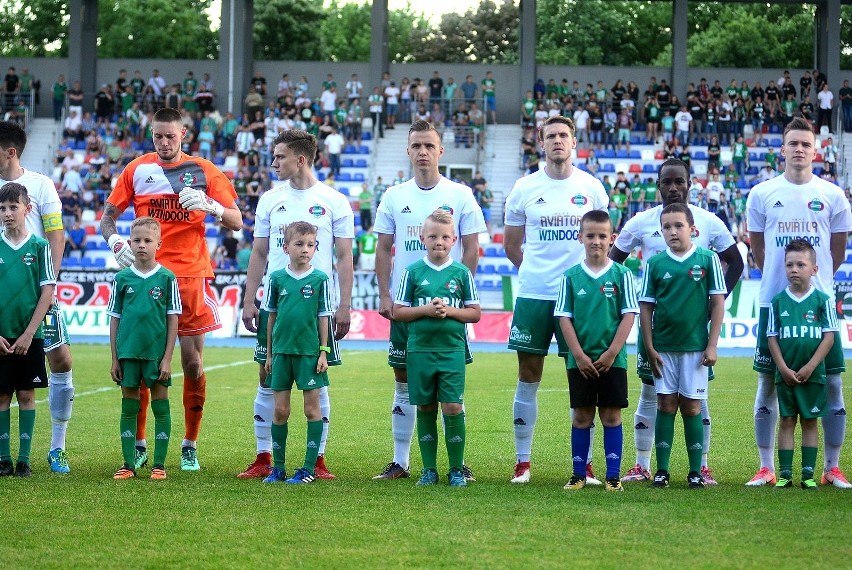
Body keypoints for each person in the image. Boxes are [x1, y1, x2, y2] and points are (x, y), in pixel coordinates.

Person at [100, 107, 242, 472]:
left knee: (192, 362)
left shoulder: (205, 171)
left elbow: (238, 221)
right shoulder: (137, 169)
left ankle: (190, 443)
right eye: (158, 136)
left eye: (171, 136)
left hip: (191, 274)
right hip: (147, 275)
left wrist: (212, 206)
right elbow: (108, 215)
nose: (164, 143)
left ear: (183, 136)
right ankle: (142, 443)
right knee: (143, 362)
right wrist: (116, 242)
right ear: (152, 136)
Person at [610, 158, 742, 485]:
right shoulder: (641, 222)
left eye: (679, 182)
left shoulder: (709, 222)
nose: (673, 188)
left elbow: (735, 263)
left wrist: (713, 304)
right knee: (650, 393)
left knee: (698, 399)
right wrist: (628, 302)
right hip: (655, 331)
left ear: (689, 184)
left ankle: (702, 465)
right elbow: (613, 265)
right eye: (666, 182)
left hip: (694, 331)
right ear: (657, 186)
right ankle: (643, 465)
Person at [373, 120, 485, 481]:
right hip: (408, 311)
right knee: (404, 380)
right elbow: (383, 248)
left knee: (452, 387)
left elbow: (472, 247)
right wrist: (386, 295)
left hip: (450, 313)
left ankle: (457, 463)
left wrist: (456, 288)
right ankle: (401, 462)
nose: (423, 152)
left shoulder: (461, 194)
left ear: (441, 151)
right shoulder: (394, 196)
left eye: (429, 146)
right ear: (408, 151)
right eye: (416, 145)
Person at [240, 129, 353, 480]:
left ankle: (316, 460)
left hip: (315, 309)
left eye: (280, 156)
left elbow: (344, 256)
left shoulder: (334, 201)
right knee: (267, 374)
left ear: (300, 159)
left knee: (317, 380)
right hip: (278, 306)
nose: (274, 162)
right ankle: (264, 457)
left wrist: (344, 305)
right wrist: (249, 300)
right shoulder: (270, 199)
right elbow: (259, 252)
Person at [745, 117, 852, 489]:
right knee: (768, 385)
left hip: (819, 305)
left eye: (806, 144)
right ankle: (766, 466)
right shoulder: (761, 193)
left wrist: (817, 282)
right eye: (793, 143)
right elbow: (757, 248)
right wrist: (777, 275)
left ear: (815, 150)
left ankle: (832, 467)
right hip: (773, 303)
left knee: (833, 385)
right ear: (782, 150)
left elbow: (836, 251)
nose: (800, 149)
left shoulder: (833, 195)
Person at [504, 115, 609, 484]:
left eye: (564, 135)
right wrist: (535, 271)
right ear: (541, 142)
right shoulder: (524, 187)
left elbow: (601, 240)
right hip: (534, 295)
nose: (558, 141)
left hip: (580, 299)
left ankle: (585, 464)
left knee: (581, 379)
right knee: (528, 375)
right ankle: (522, 463)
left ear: (574, 140)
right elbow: (511, 244)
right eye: (551, 136)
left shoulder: (592, 188)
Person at [0, 121, 75, 474]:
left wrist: (50, 283)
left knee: (60, 359)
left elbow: (56, 234)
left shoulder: (42, 185)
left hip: (39, 286)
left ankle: (57, 447)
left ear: (9, 151)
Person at [639, 203, 726, 489]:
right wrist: (649, 348)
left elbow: (717, 304)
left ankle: (694, 471)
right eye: (666, 227)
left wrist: (712, 346)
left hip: (695, 349)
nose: (672, 231)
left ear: (693, 229)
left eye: (678, 225)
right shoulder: (654, 263)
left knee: (691, 407)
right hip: (663, 348)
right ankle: (662, 470)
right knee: (665, 405)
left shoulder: (707, 259)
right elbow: (646, 309)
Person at [393, 210, 481, 486]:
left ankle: (456, 469)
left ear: (454, 239)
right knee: (427, 407)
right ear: (422, 238)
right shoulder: (412, 272)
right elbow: (398, 312)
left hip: (452, 351)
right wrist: (427, 310)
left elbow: (475, 313)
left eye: (444, 237)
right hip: (420, 351)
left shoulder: (462, 273)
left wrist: (450, 312)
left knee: (453, 406)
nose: (438, 241)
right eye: (432, 236)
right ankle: (429, 469)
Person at [556, 210, 638, 492]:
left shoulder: (622, 274)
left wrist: (612, 353)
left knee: (612, 416)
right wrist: (577, 355)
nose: (596, 241)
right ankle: (578, 473)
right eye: (590, 235)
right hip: (580, 361)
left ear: (612, 239)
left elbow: (629, 315)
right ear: (580, 237)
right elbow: (564, 318)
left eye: (602, 236)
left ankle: (613, 476)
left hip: (612, 361)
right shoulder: (570, 277)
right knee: (582, 415)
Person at [108, 217, 180, 480]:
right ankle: (128, 464)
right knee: (129, 407)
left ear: (158, 244)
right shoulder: (122, 278)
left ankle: (159, 464)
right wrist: (115, 358)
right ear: (129, 243)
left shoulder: (167, 278)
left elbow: (173, 318)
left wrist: (168, 358)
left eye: (148, 241)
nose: (142, 245)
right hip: (127, 353)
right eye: (137, 241)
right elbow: (115, 319)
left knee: (161, 406)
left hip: (156, 355)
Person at [261, 221, 333, 485]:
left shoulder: (320, 279)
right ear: (286, 247)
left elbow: (323, 316)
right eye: (299, 244)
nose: (305, 249)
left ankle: (307, 469)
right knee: (280, 411)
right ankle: (277, 468)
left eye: (310, 245)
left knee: (312, 410)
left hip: (308, 355)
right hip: (281, 354)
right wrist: (269, 354)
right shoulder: (276, 278)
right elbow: (271, 317)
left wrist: (323, 352)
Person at [767, 239, 837, 489]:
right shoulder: (777, 302)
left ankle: (807, 474)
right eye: (789, 265)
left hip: (813, 374)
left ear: (814, 269)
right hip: (785, 374)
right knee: (786, 421)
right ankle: (784, 474)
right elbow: (772, 338)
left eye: (800, 264)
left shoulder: (822, 300)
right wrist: (783, 368)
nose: (794, 269)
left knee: (809, 421)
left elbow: (829, 337)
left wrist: (810, 366)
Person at [0, 182, 56, 477]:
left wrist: (28, 333)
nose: (7, 214)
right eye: (2, 208)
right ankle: (3, 459)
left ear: (27, 209)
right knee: (1, 397)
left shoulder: (39, 246)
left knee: (26, 395)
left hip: (29, 336)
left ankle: (23, 460)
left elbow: (47, 291)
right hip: (0, 337)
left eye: (13, 207)